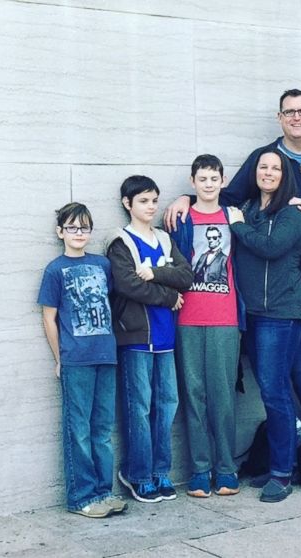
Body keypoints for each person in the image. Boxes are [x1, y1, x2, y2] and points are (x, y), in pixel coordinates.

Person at [165, 88, 301, 486]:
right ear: (279, 117)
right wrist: (189, 197)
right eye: (289, 112)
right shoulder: (263, 158)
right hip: (287, 286)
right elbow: (228, 196)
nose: (296, 117)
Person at [107, 176, 194, 503]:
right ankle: (137, 474)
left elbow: (186, 276)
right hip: (136, 338)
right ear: (128, 204)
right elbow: (127, 284)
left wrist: (156, 273)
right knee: (139, 407)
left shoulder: (164, 239)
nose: (151, 207)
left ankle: (161, 473)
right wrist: (168, 298)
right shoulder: (120, 242)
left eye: (154, 201)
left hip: (166, 338)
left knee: (167, 404)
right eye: (143, 201)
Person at [38, 202, 128, 518]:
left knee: (102, 429)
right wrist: (59, 357)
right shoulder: (54, 270)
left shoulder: (102, 265)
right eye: (73, 227)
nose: (79, 233)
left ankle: (103, 493)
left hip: (106, 355)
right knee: (79, 428)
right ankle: (81, 497)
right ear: (60, 231)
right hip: (76, 359)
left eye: (85, 228)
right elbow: (49, 318)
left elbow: (115, 302)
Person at [228, 148, 301, 502]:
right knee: (268, 390)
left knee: (275, 391)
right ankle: (277, 463)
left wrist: (238, 227)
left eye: (276, 168)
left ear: (284, 174)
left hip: (281, 312)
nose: (269, 172)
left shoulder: (291, 213)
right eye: (263, 166)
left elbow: (271, 247)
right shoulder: (246, 208)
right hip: (253, 315)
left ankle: (282, 473)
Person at [169, 154, 243, 498]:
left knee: (223, 397)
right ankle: (200, 470)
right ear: (192, 181)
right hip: (187, 318)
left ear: (223, 182)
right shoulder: (182, 218)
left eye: (215, 178)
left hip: (225, 319)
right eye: (203, 178)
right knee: (193, 396)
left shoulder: (234, 217)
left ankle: (226, 469)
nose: (209, 184)